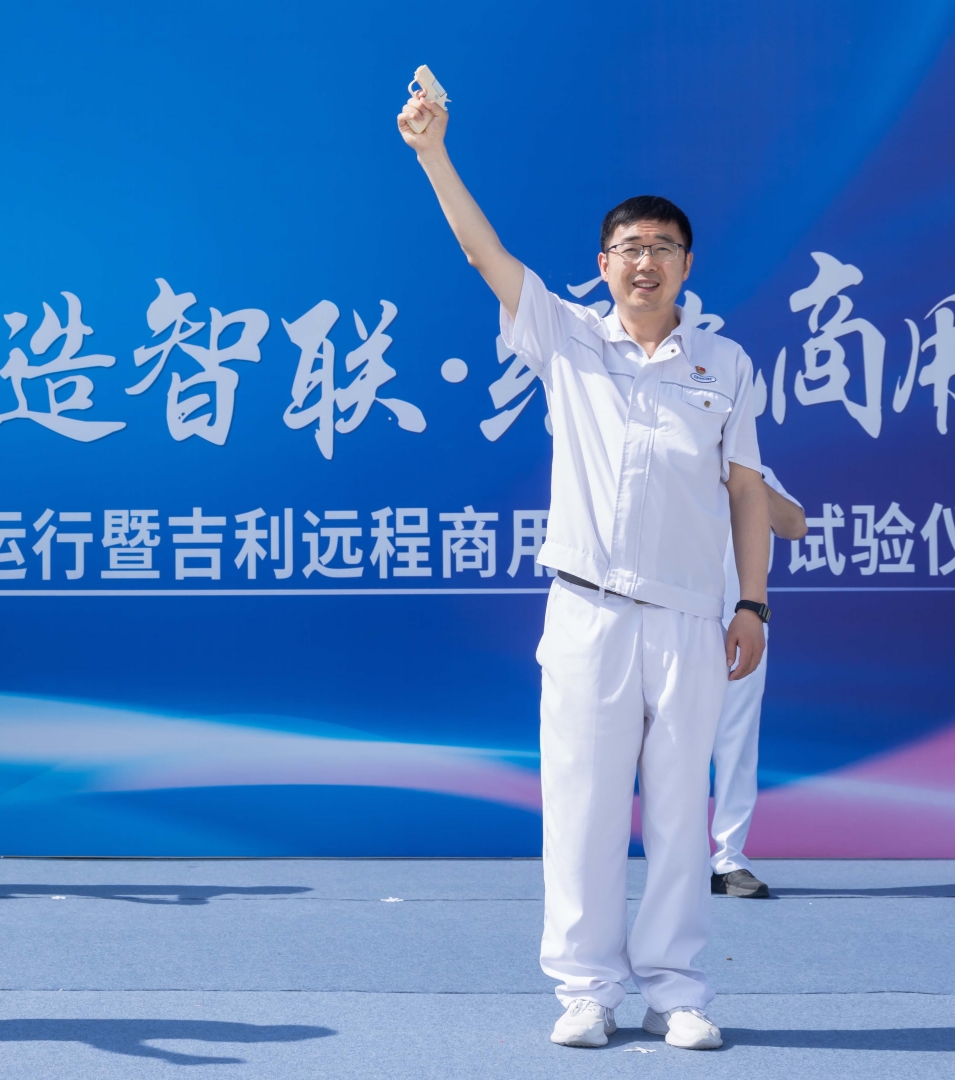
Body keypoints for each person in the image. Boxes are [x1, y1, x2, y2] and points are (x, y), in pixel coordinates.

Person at [400, 91, 774, 1051]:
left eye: (663, 247)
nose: (645, 261)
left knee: (680, 814)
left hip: (690, 616)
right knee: (582, 808)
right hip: (586, 611)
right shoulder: (567, 338)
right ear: (602, 264)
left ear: (688, 265)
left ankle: (677, 990)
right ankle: (586, 988)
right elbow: (483, 255)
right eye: (629, 248)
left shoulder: (725, 365)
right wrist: (435, 153)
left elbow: (746, 492)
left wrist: (753, 604)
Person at [710, 468, 806, 899]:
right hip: (676, 620)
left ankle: (728, 860)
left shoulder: (753, 470)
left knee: (737, 744)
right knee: (669, 746)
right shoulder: (673, 456)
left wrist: (747, 480)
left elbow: (795, 525)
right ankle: (676, 860)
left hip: (743, 623)